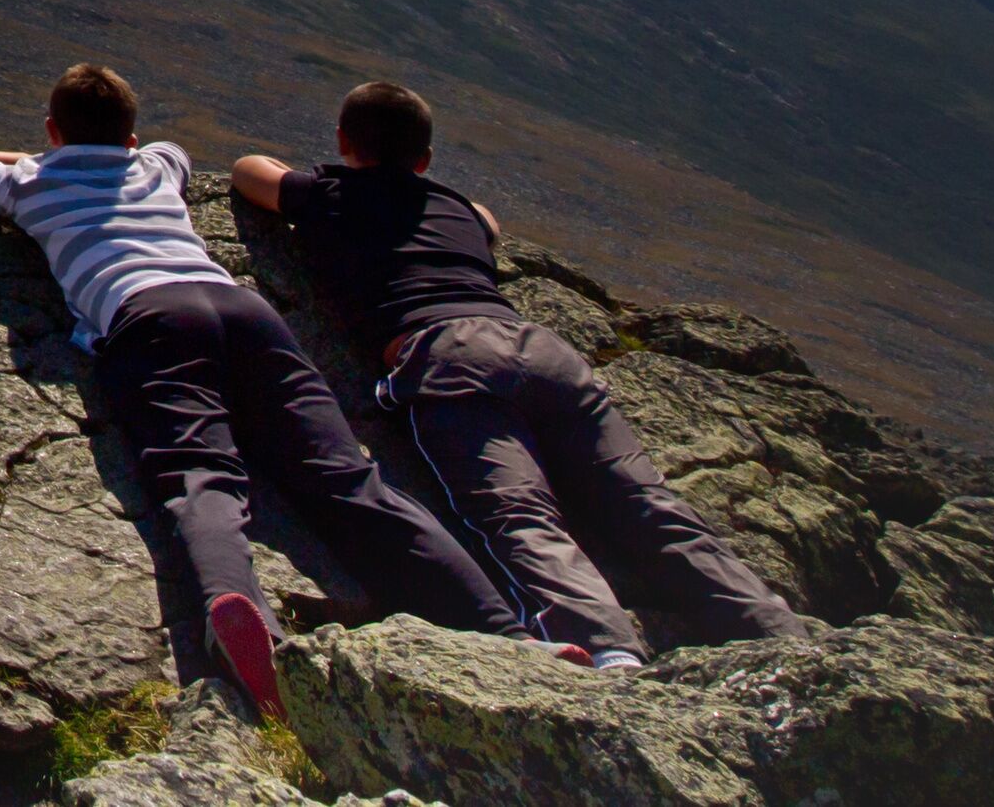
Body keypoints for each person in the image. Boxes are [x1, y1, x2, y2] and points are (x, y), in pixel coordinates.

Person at [0, 64, 521, 720]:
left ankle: (238, 610)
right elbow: (174, 156)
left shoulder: (29, 182)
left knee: (202, 474)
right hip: (244, 312)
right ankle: (503, 632)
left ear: (51, 130)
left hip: (148, 317)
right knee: (347, 476)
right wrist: (97, 150)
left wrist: (43, 157)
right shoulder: (154, 168)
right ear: (130, 136)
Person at [232, 81, 803, 667]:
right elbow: (489, 220)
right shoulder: (458, 209)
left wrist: (328, 174)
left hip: (448, 354)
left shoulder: (332, 195)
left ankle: (606, 652)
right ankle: (774, 632)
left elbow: (251, 171)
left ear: (343, 140)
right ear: (425, 160)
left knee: (518, 513)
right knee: (644, 502)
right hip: (544, 352)